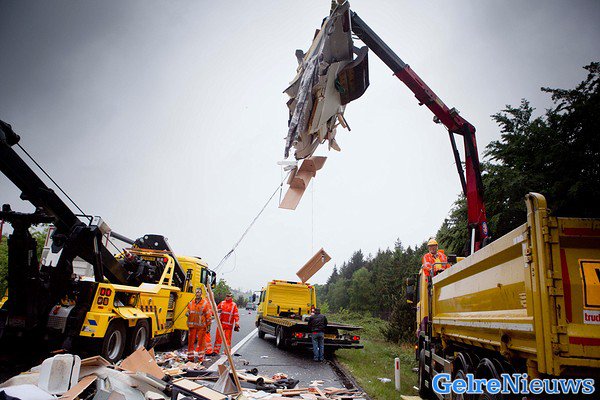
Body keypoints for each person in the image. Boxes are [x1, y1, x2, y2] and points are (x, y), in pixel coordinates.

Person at [186, 288, 212, 362]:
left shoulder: (205, 303)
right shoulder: (191, 303)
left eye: (199, 292)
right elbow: (188, 310)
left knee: (201, 343)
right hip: (192, 326)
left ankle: (200, 358)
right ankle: (190, 358)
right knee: (190, 343)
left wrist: (209, 326)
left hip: (201, 327)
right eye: (196, 292)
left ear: (201, 293)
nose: (197, 293)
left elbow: (208, 315)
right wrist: (187, 313)